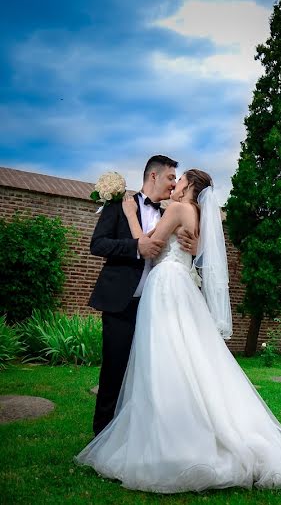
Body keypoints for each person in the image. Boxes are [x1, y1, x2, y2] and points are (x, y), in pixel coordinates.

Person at [76, 169, 281, 493]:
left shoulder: (180, 209)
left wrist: (129, 214)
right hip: (178, 286)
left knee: (166, 359)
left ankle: (170, 437)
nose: (175, 184)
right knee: (185, 357)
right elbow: (194, 253)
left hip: (167, 285)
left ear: (191, 187)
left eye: (179, 180)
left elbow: (151, 244)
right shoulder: (196, 215)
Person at [88, 154, 197, 436]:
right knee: (114, 370)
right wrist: (136, 248)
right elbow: (98, 244)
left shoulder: (169, 214)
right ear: (153, 176)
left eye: (177, 179)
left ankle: (135, 434)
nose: (174, 185)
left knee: (148, 373)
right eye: (171, 178)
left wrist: (195, 246)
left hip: (157, 307)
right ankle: (101, 436)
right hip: (122, 303)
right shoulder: (120, 205)